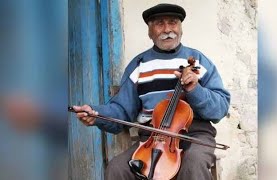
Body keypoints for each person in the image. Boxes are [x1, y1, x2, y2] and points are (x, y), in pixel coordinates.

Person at [73, 3, 230, 180]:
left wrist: (195, 89)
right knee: (117, 168)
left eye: (173, 22)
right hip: (151, 136)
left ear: (180, 28)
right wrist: (97, 114)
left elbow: (220, 109)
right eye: (159, 24)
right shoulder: (139, 65)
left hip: (195, 134)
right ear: (149, 31)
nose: (167, 29)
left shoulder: (199, 61)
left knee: (193, 165)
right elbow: (121, 110)